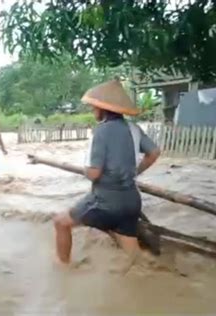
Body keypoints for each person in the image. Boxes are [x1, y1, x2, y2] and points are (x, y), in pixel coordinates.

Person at [53, 79, 161, 267]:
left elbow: (94, 173)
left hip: (106, 202)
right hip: (132, 201)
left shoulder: (101, 131)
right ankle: (150, 277)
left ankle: (64, 270)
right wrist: (135, 171)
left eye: (94, 107)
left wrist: (86, 170)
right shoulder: (133, 128)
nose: (92, 110)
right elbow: (154, 153)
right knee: (133, 256)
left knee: (60, 222)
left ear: (103, 108)